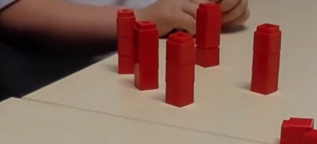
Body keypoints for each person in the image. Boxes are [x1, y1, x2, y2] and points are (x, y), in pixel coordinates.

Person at [0, 0, 250, 54]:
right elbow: (16, 12)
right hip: (58, 83)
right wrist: (140, 19)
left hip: (162, 56)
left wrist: (215, 7)